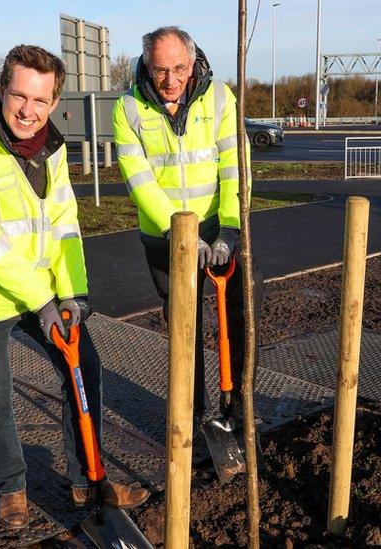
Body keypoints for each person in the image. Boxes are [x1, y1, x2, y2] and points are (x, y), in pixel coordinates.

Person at [0, 44, 148, 529]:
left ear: (55, 102)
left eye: (41, 101)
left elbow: (64, 223)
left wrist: (73, 294)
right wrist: (44, 299)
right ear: (1, 90)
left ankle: (87, 479)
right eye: (19, 97)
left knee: (83, 371)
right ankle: (12, 487)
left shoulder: (53, 146)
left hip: (45, 293)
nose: (28, 111)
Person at [112, 27, 263, 423]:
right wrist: (180, 236)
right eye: (161, 70)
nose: (171, 80)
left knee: (242, 313)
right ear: (147, 65)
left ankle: (241, 406)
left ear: (193, 62)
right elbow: (138, 179)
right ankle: (192, 415)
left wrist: (231, 229)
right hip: (166, 240)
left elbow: (235, 167)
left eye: (179, 68)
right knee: (183, 329)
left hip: (220, 228)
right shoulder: (128, 108)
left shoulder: (219, 99)